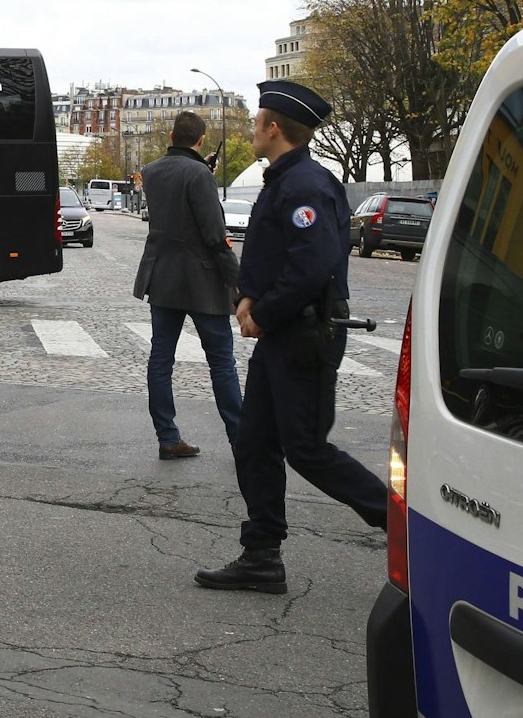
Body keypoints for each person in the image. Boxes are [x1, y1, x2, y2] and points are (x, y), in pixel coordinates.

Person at [195, 81, 388, 594]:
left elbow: (312, 263)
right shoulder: (284, 180)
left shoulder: (303, 185)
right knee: (255, 441)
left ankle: (406, 527)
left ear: (273, 127)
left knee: (305, 448)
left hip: (303, 332)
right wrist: (248, 296)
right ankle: (262, 555)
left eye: (257, 121)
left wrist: (265, 311)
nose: (252, 129)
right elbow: (273, 256)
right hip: (285, 331)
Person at [132, 111, 242, 459]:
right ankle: (241, 441)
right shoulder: (199, 175)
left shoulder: (151, 171)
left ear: (170, 134)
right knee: (222, 362)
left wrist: (199, 170)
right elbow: (213, 234)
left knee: (161, 360)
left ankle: (167, 437)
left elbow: (176, 191)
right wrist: (237, 283)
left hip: (162, 276)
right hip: (202, 281)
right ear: (202, 139)